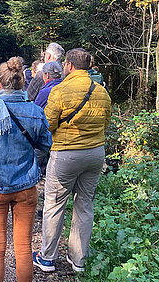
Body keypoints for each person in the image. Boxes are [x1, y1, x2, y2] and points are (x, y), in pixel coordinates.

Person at [0, 57, 52, 282]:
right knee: (23, 247)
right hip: (26, 186)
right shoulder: (34, 111)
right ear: (23, 82)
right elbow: (46, 144)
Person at [32, 48, 111, 274]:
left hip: (66, 154)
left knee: (55, 204)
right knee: (84, 205)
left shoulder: (61, 90)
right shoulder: (101, 91)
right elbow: (106, 123)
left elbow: (48, 124)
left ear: (69, 65)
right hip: (95, 154)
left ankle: (47, 257)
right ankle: (78, 260)